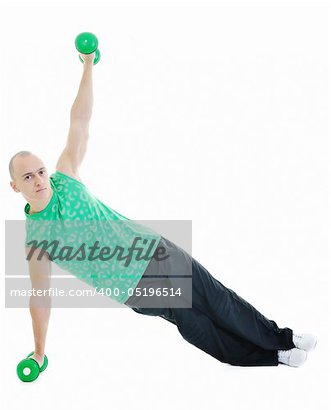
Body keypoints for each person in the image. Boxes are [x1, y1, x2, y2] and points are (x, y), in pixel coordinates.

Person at [9, 52, 317, 372]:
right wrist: (38, 351)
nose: (39, 180)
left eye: (40, 171)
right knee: (195, 324)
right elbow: (40, 298)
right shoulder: (37, 241)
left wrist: (87, 65)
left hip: (155, 250)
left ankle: (283, 338)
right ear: (16, 186)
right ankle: (272, 356)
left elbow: (80, 121)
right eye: (28, 176)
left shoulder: (66, 179)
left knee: (218, 299)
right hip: (133, 288)